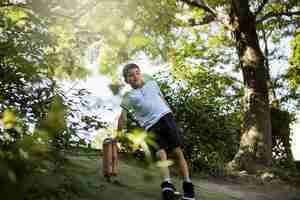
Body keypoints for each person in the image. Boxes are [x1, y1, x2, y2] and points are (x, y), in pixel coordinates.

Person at [117, 63, 195, 200]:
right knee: (160, 153)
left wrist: (170, 113)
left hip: (166, 118)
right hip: (151, 126)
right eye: (130, 75)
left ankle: (189, 189)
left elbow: (162, 99)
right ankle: (167, 185)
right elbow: (122, 116)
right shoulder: (128, 97)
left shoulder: (152, 83)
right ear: (126, 80)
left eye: (137, 73)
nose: (135, 76)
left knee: (178, 153)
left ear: (140, 73)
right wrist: (118, 134)